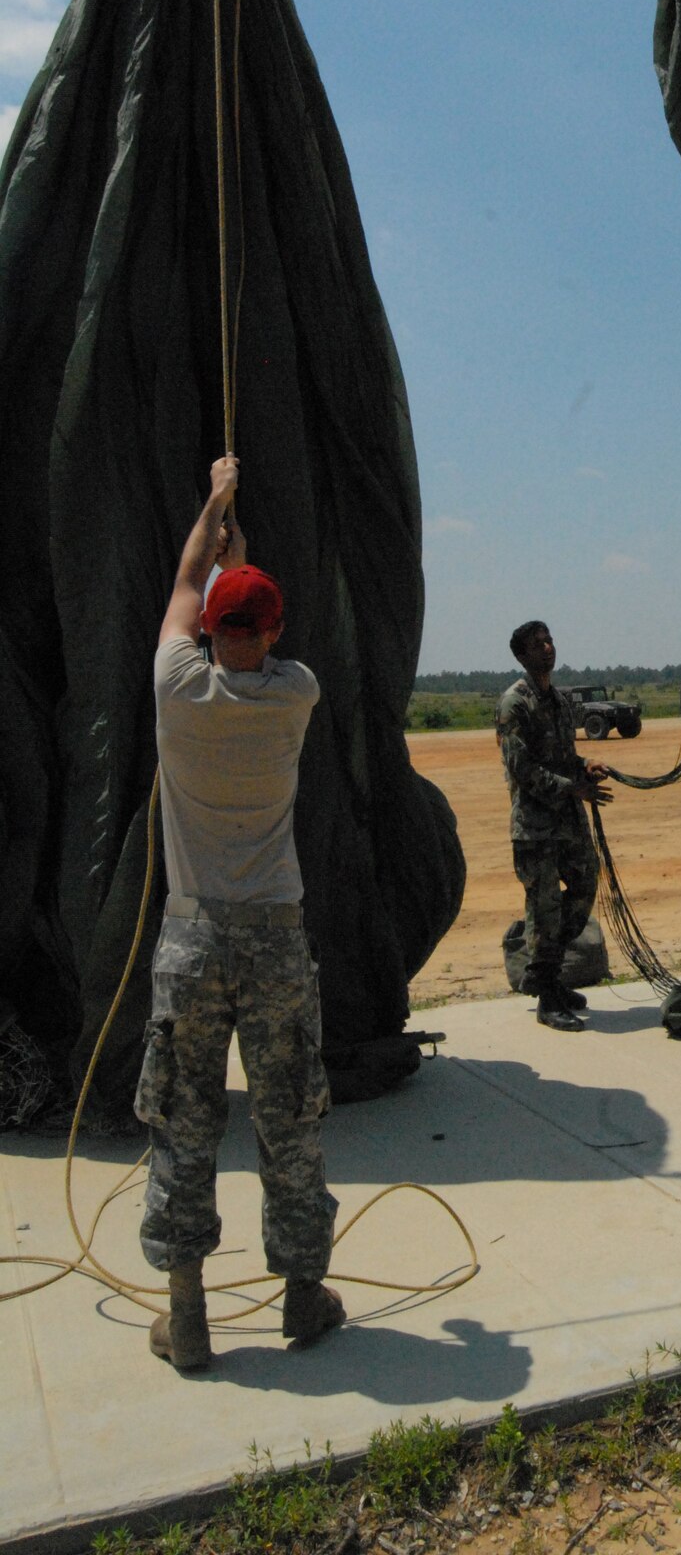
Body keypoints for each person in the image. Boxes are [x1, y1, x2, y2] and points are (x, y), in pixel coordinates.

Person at [135, 455, 342, 1370]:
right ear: (277, 629)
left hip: (191, 939)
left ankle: (186, 1318)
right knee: (287, 1116)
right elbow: (222, 603)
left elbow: (186, 588)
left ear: (214, 632)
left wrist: (212, 499)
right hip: (274, 941)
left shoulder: (178, 689)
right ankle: (303, 1297)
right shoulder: (295, 693)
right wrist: (239, 556)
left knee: (182, 1125)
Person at [496, 620, 611, 1032]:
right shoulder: (514, 704)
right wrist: (573, 788)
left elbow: (564, 756)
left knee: (584, 888)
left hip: (568, 820)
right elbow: (522, 769)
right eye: (537, 644)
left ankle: (545, 973)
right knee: (544, 907)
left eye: (549, 640)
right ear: (522, 656)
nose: (547, 647)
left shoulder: (561, 702)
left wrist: (585, 765)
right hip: (536, 827)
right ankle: (548, 993)